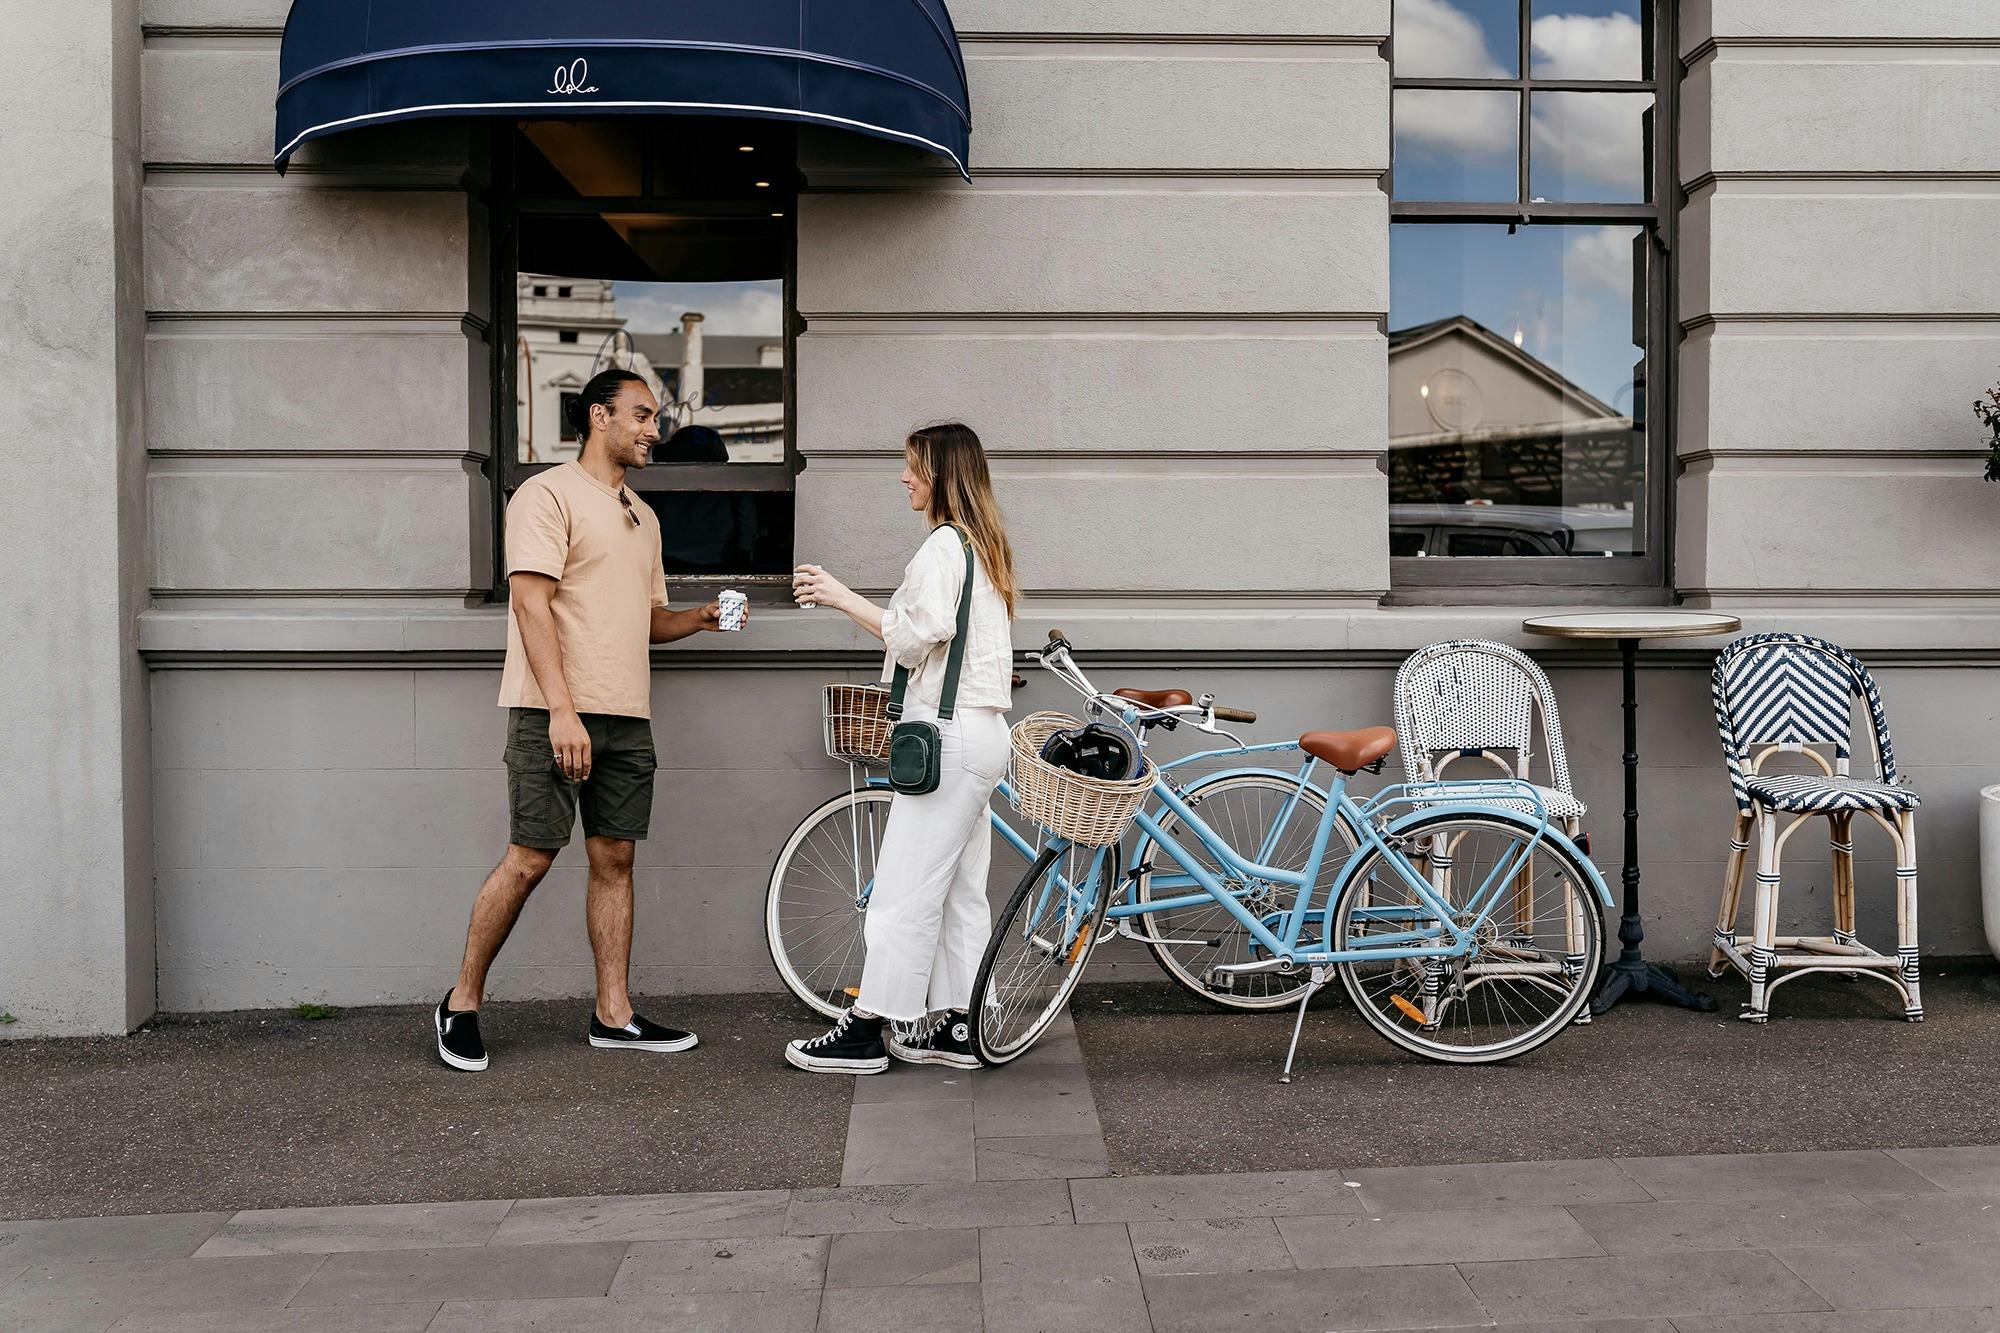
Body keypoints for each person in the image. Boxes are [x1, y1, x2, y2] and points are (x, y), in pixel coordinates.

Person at [434, 367, 735, 1072]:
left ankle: (614, 1014)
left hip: (626, 713)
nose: (653, 430)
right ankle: (461, 1003)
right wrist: (562, 712)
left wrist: (700, 617)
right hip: (552, 711)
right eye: (640, 415)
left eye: (654, 417)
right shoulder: (545, 496)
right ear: (598, 416)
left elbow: (646, 620)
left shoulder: (643, 516)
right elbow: (530, 605)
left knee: (615, 858)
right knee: (531, 857)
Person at [784, 423, 1018, 1074]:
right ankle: (961, 1025)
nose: (903, 477)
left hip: (946, 739)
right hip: (982, 737)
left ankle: (867, 1027)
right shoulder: (982, 546)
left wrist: (839, 597)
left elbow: (916, 637)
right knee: (959, 892)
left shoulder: (944, 545)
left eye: (913, 466)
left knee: (902, 891)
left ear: (941, 474)